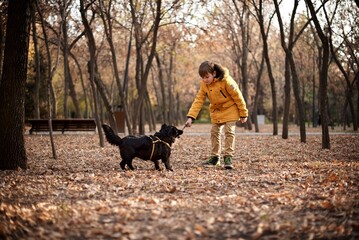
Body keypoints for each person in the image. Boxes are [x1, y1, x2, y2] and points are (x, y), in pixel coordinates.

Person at [185, 61, 248, 169]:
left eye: (207, 77)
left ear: (214, 73)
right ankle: (215, 158)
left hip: (230, 109)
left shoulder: (226, 81)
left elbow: (238, 96)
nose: (205, 80)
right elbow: (199, 100)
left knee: (229, 132)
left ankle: (228, 157)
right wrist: (191, 117)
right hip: (217, 111)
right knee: (214, 132)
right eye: (202, 78)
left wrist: (243, 113)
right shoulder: (204, 84)